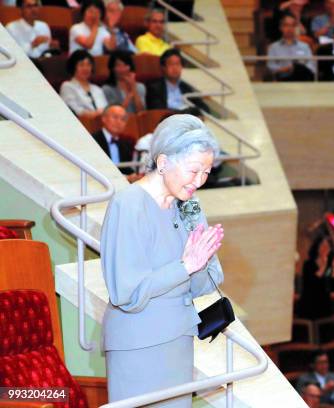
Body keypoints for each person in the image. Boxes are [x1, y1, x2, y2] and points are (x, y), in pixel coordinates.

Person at [100, 114, 224, 407]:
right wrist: (185, 267)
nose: (199, 182)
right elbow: (126, 293)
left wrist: (200, 263)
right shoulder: (127, 205)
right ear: (164, 162)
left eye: (206, 173)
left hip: (179, 339)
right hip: (138, 345)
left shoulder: (190, 206)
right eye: (194, 171)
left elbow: (210, 280)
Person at [146, 48, 210, 114]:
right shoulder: (155, 87)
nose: (175, 68)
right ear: (163, 67)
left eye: (177, 64)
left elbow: (204, 107)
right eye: (171, 64)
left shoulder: (185, 87)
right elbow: (156, 111)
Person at [266, 14, 315, 81]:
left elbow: (311, 66)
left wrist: (298, 69)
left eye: (292, 25)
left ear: (295, 28)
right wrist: (287, 69)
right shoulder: (273, 47)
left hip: (302, 80)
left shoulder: (304, 46)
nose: (289, 28)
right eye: (286, 25)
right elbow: (270, 67)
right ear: (281, 27)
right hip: (283, 80)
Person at [60, 49, 108, 118]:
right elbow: (73, 110)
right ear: (73, 67)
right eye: (81, 65)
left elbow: (106, 109)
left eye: (89, 65)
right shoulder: (67, 86)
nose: (86, 68)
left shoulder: (97, 89)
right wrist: (94, 114)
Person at [297, 236, 333, 319]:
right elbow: (314, 280)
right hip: (310, 302)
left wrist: (332, 270)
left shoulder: (329, 266)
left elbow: (327, 278)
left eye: (327, 246)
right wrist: (324, 265)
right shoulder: (308, 264)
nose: (325, 248)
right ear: (317, 247)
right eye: (323, 245)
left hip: (324, 303)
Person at [92, 105, 134, 175]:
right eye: (115, 117)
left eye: (123, 119)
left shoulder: (128, 142)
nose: (119, 122)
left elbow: (127, 168)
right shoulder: (93, 140)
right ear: (104, 118)